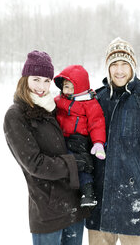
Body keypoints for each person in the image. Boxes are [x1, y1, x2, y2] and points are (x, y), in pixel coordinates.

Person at [3, 50, 91, 245]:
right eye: (36, 79)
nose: (41, 87)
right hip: (47, 209)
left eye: (46, 80)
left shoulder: (52, 108)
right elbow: (35, 164)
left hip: (74, 205)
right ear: (25, 79)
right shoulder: (16, 115)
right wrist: (74, 163)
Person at [86, 37, 140, 245]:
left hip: (135, 204)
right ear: (108, 68)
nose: (119, 71)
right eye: (114, 65)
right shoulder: (97, 99)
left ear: (133, 66)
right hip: (100, 204)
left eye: (124, 64)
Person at [54, 65, 106, 207]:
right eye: (65, 86)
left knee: (82, 164)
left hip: (79, 140)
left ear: (81, 86)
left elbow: (97, 123)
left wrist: (98, 142)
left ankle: (88, 192)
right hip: (61, 138)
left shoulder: (89, 103)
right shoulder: (59, 100)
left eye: (72, 87)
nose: (68, 90)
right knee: (64, 163)